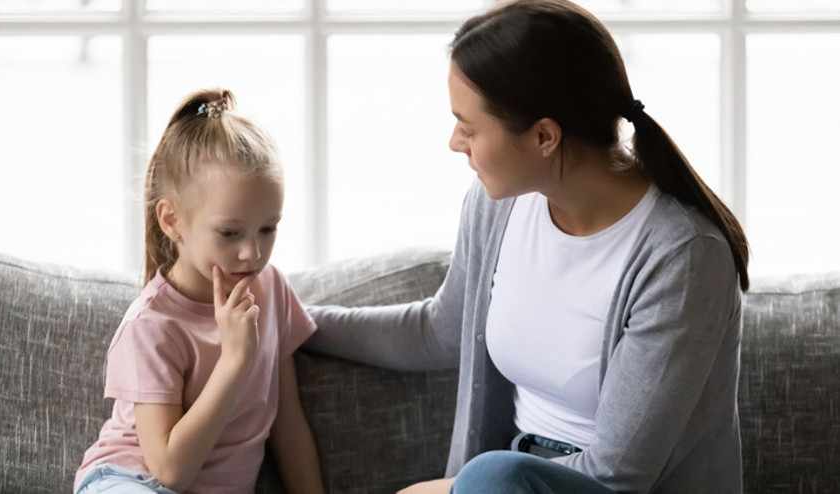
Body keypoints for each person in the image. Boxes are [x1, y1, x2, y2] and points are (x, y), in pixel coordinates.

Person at [303, 0, 749, 492]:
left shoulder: (683, 257)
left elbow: (618, 474)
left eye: (468, 127)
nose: (455, 142)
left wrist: (450, 489)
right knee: (493, 474)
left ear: (543, 136)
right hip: (501, 483)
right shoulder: (497, 207)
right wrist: (295, 320)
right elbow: (441, 331)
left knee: (492, 474)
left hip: (577, 488)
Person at [75, 89, 325, 494]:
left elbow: (288, 424)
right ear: (172, 220)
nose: (252, 252)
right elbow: (170, 470)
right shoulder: (151, 326)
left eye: (268, 228)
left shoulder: (271, 289)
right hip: (132, 480)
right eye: (230, 232)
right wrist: (235, 359)